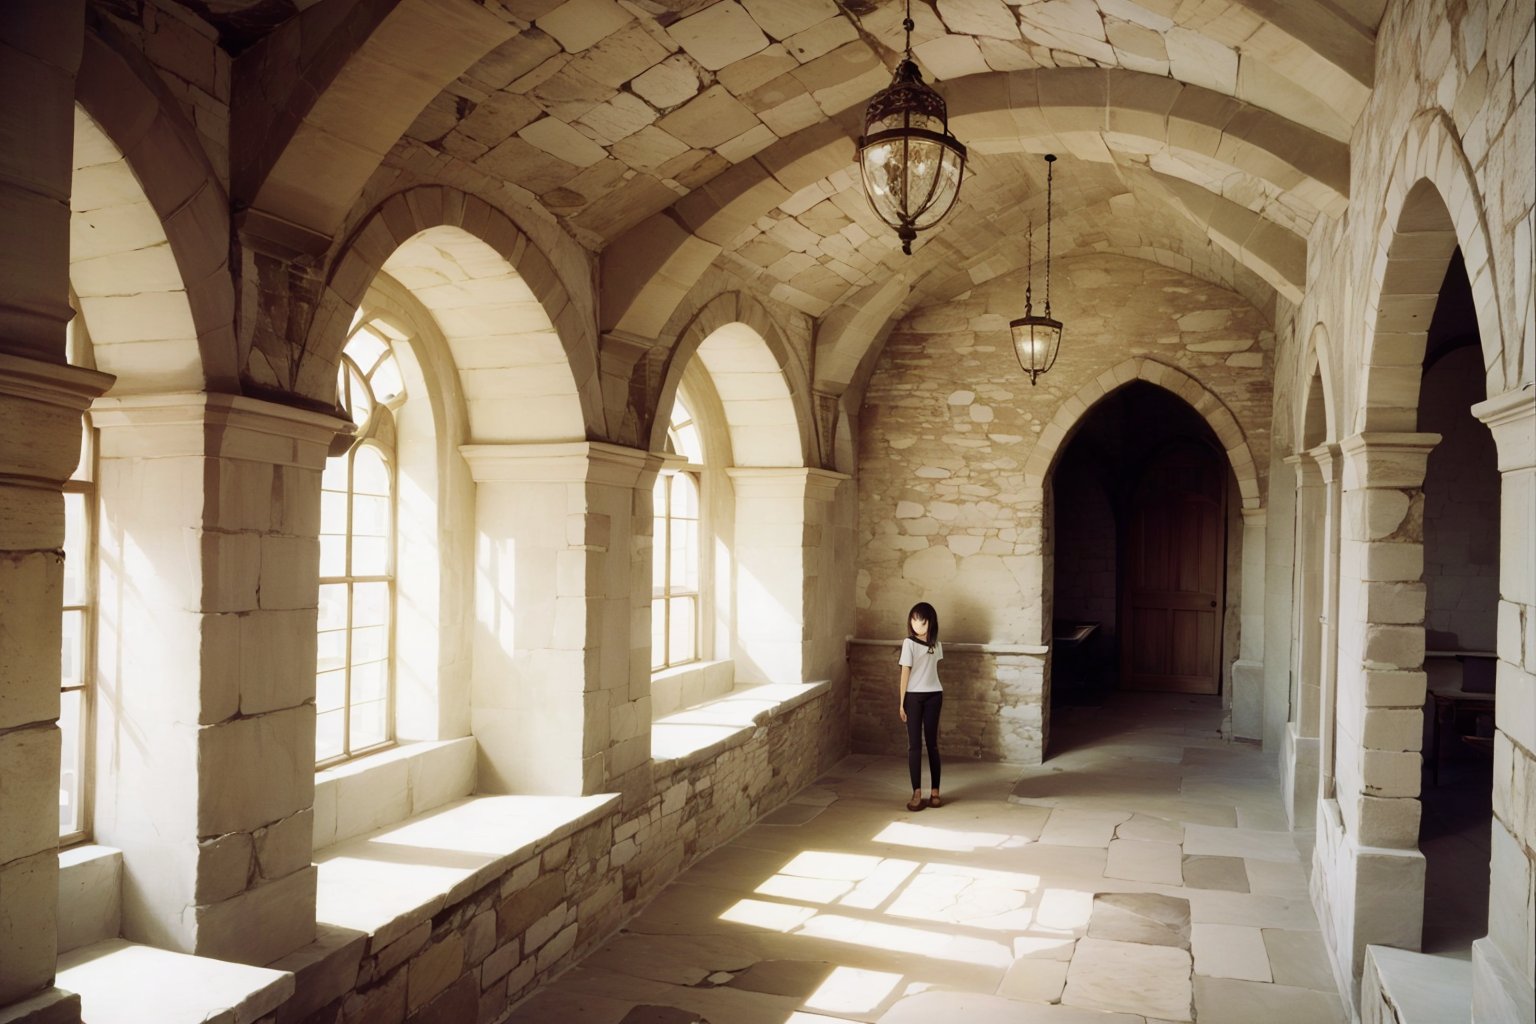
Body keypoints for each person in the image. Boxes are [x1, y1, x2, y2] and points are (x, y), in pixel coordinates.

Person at [897, 601, 943, 811]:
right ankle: (917, 791)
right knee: (914, 746)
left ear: (930, 622)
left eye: (921, 621)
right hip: (913, 697)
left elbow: (933, 671)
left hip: (934, 695)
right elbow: (905, 672)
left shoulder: (937, 645)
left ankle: (935, 791)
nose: (917, 625)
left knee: (932, 745)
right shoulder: (909, 643)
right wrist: (901, 702)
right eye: (914, 620)